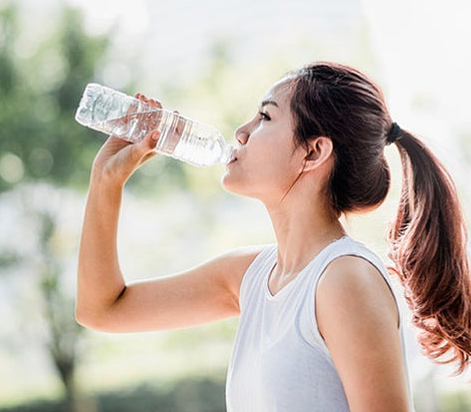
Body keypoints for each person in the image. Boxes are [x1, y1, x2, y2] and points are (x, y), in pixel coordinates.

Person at [76, 62, 471, 411]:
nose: (241, 132)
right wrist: (106, 180)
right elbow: (102, 309)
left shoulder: (344, 280)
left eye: (265, 117)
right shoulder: (250, 276)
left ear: (313, 152)